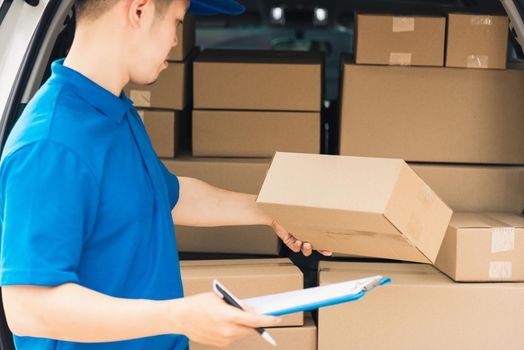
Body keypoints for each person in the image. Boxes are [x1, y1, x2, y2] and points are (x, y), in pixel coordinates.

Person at [0, 0, 331, 349]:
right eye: (177, 20)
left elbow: (165, 195)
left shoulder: (114, 112)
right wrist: (178, 317)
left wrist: (270, 212)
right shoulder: (52, 144)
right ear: (138, 11)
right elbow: (29, 308)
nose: (176, 39)